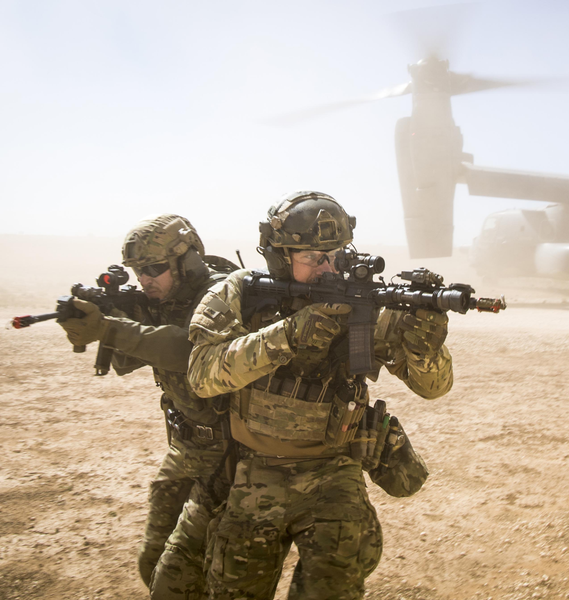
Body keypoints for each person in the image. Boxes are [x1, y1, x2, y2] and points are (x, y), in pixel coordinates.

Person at [186, 191, 453, 599]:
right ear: (279, 258)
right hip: (255, 472)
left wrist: (424, 349)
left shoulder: (364, 303)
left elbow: (434, 388)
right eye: (311, 257)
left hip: (334, 473)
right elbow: (202, 375)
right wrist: (288, 335)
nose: (327, 268)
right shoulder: (239, 292)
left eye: (335, 255)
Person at [58, 214, 238, 598]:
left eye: (154, 268)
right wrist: (109, 318)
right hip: (187, 447)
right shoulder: (160, 300)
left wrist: (112, 328)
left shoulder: (225, 294)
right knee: (153, 560)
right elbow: (126, 363)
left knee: (214, 576)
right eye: (138, 271)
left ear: (186, 260)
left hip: (234, 455)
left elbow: (190, 351)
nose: (145, 279)